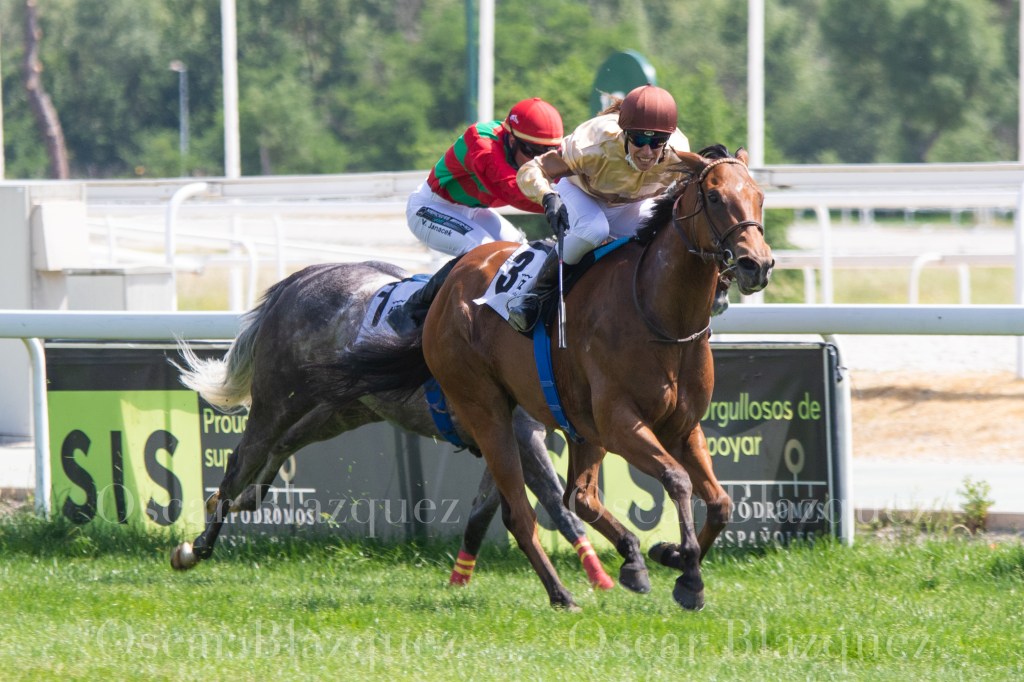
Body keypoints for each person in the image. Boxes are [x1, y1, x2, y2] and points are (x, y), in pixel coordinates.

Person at [507, 84, 693, 332]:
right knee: (594, 229)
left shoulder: (679, 154)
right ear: (624, 133)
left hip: (631, 204)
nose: (647, 152)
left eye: (657, 142)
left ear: (667, 139)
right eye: (639, 140)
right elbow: (531, 170)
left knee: (666, 234)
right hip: (582, 193)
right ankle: (534, 295)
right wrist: (547, 196)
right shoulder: (593, 144)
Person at [386, 98, 563, 334]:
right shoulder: (481, 143)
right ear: (511, 140)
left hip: (474, 209)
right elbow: (513, 190)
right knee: (483, 252)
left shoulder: (522, 145)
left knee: (521, 253)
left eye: (549, 153)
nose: (539, 162)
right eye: (532, 152)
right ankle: (410, 311)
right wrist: (554, 200)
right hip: (430, 207)